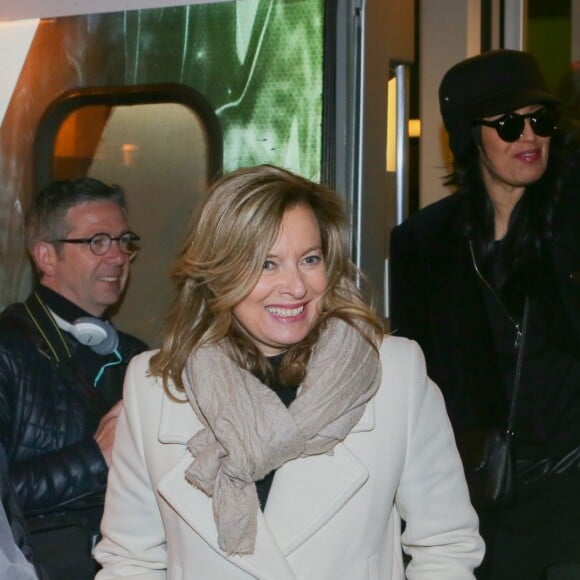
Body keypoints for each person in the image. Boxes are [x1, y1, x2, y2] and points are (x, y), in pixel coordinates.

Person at [94, 164, 484, 579]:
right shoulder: (154, 389)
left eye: (309, 259)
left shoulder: (394, 375)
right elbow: (130, 562)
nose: (296, 287)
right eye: (267, 264)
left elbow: (444, 545)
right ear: (218, 273)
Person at [389, 49, 580, 579]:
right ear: (469, 137)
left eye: (541, 120)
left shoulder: (571, 218)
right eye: (509, 123)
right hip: (481, 503)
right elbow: (417, 380)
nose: (530, 136)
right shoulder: (425, 244)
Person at [0, 177, 148, 579]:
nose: (118, 257)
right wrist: (94, 459)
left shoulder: (139, 357)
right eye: (98, 242)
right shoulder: (7, 350)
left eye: (124, 241)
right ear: (46, 257)